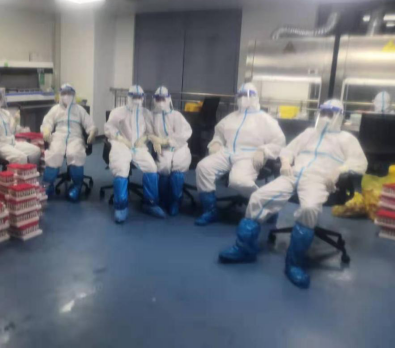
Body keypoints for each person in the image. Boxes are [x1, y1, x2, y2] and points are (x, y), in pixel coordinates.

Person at [219, 100, 368, 289]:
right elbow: (288, 150)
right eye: (323, 113)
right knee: (258, 196)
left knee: (309, 208)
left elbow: (360, 163)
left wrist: (339, 170)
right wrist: (285, 163)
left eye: (330, 114)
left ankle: (294, 264)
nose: (325, 117)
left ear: (339, 116)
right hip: (293, 174)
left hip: (318, 180)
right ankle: (244, 249)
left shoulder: (346, 139)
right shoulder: (309, 133)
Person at [194, 83, 286, 226]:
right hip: (227, 152)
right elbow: (219, 134)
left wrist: (263, 151)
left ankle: (267, 207)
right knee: (203, 167)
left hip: (249, 155)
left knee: (239, 181)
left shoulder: (266, 120)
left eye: (248, 95)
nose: (243, 98)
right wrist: (216, 143)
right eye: (241, 95)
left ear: (255, 97)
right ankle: (210, 210)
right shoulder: (231, 117)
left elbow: (279, 142)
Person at [104, 85, 166, 224]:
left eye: (140, 97)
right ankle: (120, 207)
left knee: (151, 167)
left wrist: (144, 138)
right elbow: (109, 128)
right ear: (129, 97)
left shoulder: (146, 113)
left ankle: (150, 203)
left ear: (143, 98)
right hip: (121, 145)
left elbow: (150, 131)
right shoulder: (118, 111)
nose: (137, 100)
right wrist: (120, 138)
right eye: (134, 97)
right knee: (121, 168)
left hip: (139, 146)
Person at [41, 84, 98, 201]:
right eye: (64, 93)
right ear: (60, 95)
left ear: (73, 95)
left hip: (75, 137)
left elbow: (90, 124)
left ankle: (77, 186)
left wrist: (92, 132)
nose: (66, 96)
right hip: (58, 136)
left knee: (75, 154)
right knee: (54, 154)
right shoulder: (55, 109)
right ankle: (47, 186)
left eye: (69, 93)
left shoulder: (80, 110)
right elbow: (47, 122)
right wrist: (46, 130)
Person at [149, 86, 193, 217]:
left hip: (180, 148)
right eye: (158, 99)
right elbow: (148, 132)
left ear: (169, 99)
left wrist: (168, 141)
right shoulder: (152, 116)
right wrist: (155, 140)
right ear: (154, 100)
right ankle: (163, 200)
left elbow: (185, 133)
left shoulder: (176, 115)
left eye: (163, 99)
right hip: (164, 150)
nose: (161, 102)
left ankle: (175, 201)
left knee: (177, 167)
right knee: (164, 168)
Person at [0, 85, 41, 165]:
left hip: (11, 142)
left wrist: (21, 128)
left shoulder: (4, 113)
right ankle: (17, 172)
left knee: (36, 151)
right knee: (21, 158)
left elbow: (12, 130)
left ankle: (30, 171)